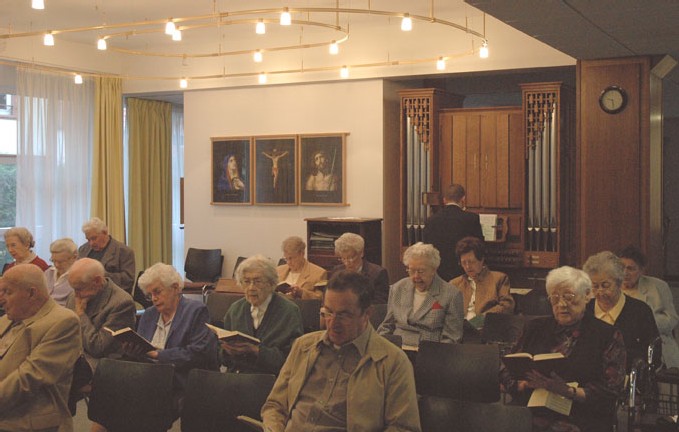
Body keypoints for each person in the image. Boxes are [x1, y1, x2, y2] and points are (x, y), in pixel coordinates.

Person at [261, 271, 421, 431]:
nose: (333, 323)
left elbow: (404, 428)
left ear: (367, 314)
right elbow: (275, 405)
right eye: (328, 312)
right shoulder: (304, 346)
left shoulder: (392, 362)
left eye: (344, 315)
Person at [501, 266, 626, 432]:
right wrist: (523, 384)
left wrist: (567, 391)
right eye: (555, 298)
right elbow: (505, 368)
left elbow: (611, 390)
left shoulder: (606, 335)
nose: (561, 304)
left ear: (587, 295)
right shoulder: (534, 327)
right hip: (531, 408)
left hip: (581, 413)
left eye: (569, 297)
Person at [123, 263, 218, 417]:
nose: (153, 299)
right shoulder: (148, 315)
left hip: (181, 379)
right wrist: (134, 351)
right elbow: (142, 352)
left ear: (175, 288)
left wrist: (158, 355)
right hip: (150, 376)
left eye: (157, 292)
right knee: (112, 391)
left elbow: (198, 353)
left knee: (134, 403)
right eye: (150, 295)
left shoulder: (196, 311)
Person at [0, 264, 82, 432]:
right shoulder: (7, 319)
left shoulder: (63, 322)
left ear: (31, 293)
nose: (2, 299)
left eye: (8, 292)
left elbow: (29, 379)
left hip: (29, 423)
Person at [221, 255, 303, 374]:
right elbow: (222, 357)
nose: (251, 288)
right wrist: (226, 351)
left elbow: (292, 360)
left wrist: (257, 351)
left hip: (271, 382)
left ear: (271, 283)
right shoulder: (235, 310)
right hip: (237, 379)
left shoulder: (289, 312)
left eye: (257, 281)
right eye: (246, 282)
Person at [377, 242, 464, 346]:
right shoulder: (398, 288)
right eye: (411, 270)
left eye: (421, 271)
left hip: (428, 353)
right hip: (397, 351)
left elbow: (452, 337)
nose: (415, 276)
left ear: (434, 269)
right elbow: (387, 326)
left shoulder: (451, 294)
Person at [583, 251, 659, 368]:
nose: (599, 291)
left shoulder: (640, 311)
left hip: (629, 379)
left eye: (605, 285)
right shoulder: (585, 310)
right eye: (595, 286)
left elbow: (653, 355)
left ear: (619, 283)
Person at [66, 257, 136, 370]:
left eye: (79, 289)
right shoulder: (74, 296)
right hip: (73, 357)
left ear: (97, 281)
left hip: (102, 365)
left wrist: (80, 315)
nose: (75, 294)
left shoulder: (121, 303)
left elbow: (99, 347)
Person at [618, 245, 679, 368]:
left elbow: (672, 319)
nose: (625, 273)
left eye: (631, 269)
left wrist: (645, 322)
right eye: (621, 268)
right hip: (621, 349)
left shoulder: (658, 286)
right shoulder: (610, 289)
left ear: (641, 270)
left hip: (656, 345)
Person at [422, 184, 483, 281]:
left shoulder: (430, 220)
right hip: (463, 273)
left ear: (444, 200)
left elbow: (426, 249)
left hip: (438, 273)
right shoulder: (471, 219)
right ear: (463, 199)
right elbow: (479, 247)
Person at [450, 236, 514, 325]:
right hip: (459, 330)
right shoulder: (455, 283)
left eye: (471, 262)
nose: (467, 267)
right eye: (464, 263)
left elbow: (506, 306)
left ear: (481, 260)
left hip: (486, 328)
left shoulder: (499, 279)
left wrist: (480, 320)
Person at [78, 217, 136, 293]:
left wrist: (101, 275)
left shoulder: (124, 251)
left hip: (113, 295)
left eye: (94, 238)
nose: (91, 243)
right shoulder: (83, 249)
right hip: (86, 294)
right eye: (88, 239)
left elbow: (128, 280)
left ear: (105, 233)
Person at [331, 232, 390, 304]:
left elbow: (380, 304)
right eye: (343, 258)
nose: (347, 263)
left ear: (361, 253)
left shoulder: (378, 273)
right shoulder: (337, 271)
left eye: (351, 258)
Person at [45, 237, 78, 306]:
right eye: (53, 261)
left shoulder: (78, 276)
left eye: (61, 262)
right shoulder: (48, 272)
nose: (56, 265)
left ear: (74, 257)